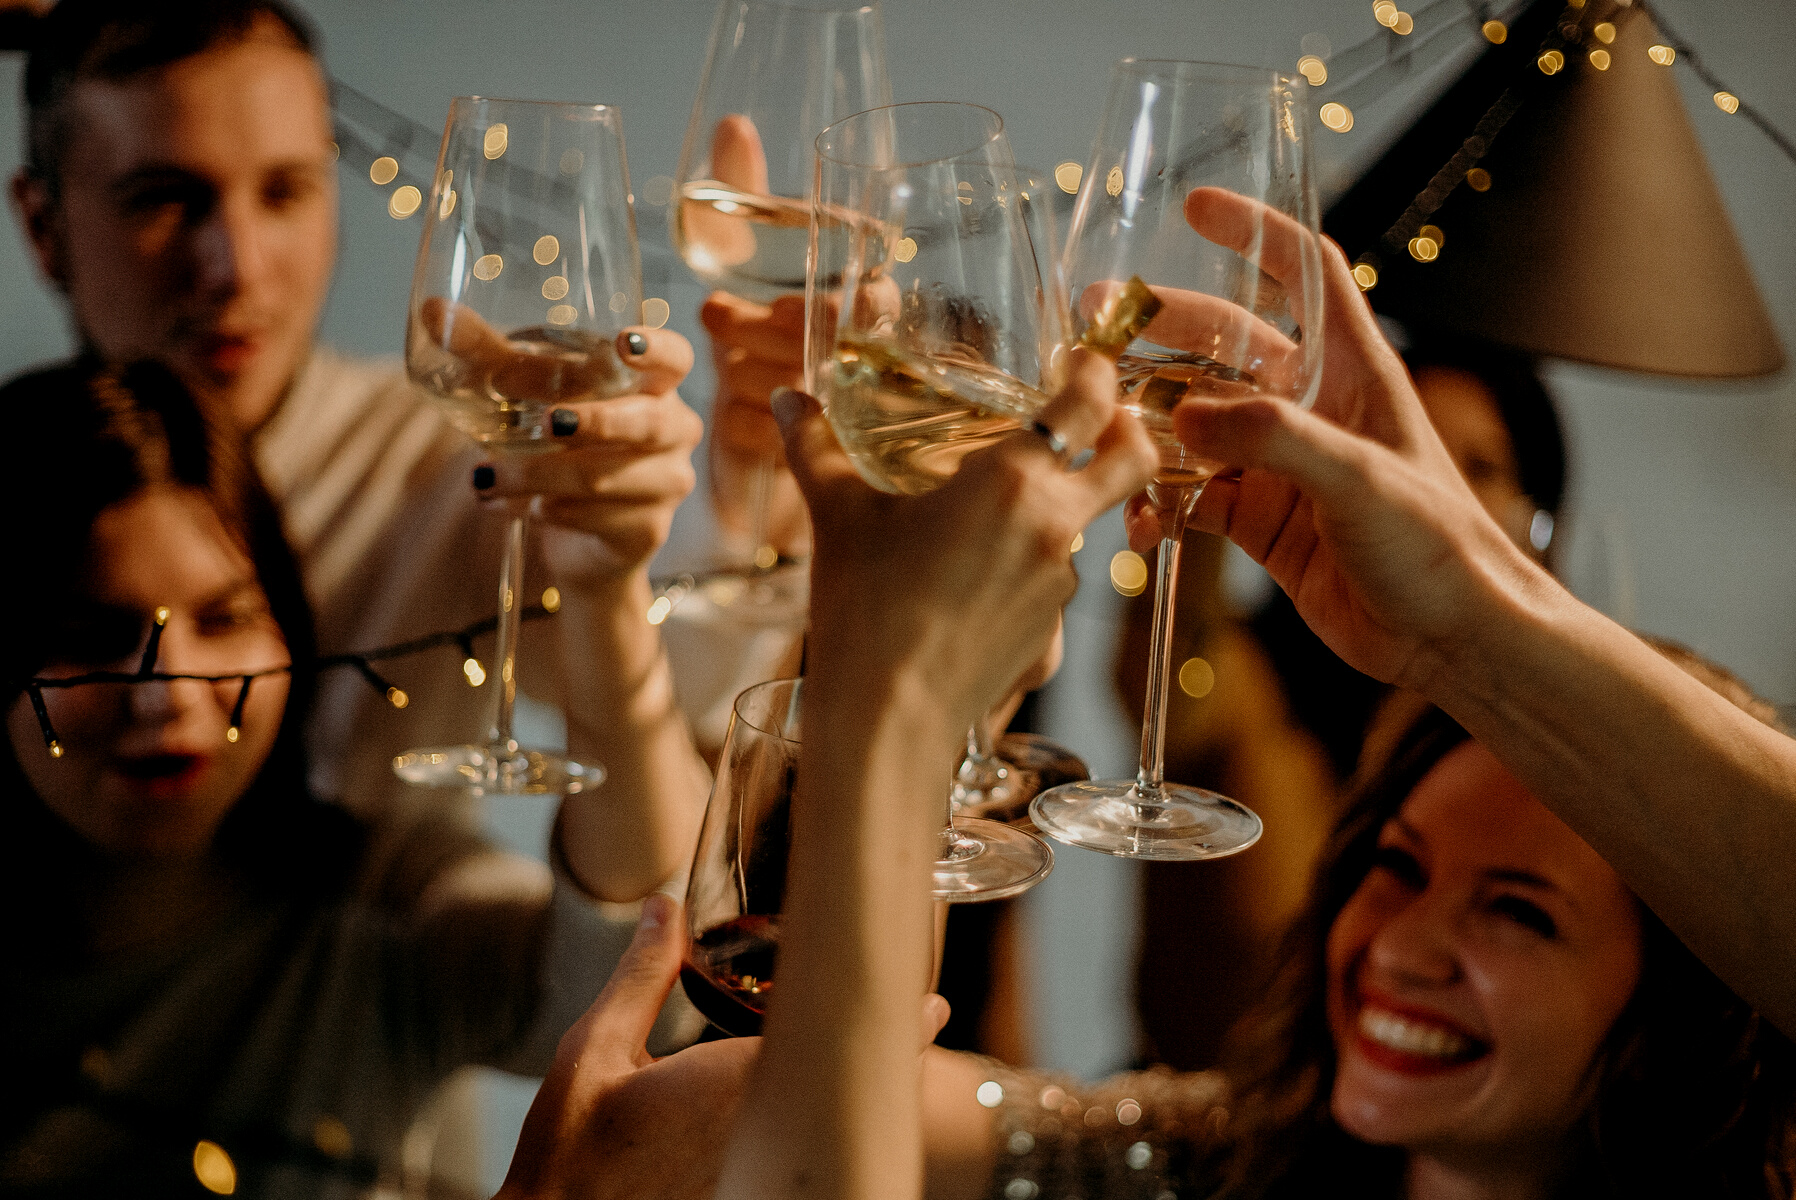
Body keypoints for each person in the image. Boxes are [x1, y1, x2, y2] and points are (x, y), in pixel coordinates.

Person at [8, 0, 712, 873]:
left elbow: (700, 710)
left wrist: (735, 491)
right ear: (42, 226)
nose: (237, 265)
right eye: (165, 200)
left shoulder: (460, 464)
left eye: (285, 191)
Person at [0, 359, 697, 1197]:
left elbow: (632, 987)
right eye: (95, 635)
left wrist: (605, 590)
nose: (167, 694)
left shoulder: (382, 907)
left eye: (224, 620)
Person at [1120, 330, 1570, 1071]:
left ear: (1540, 530)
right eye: (1394, 456)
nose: (1430, 494)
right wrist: (1194, 472)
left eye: (1479, 468)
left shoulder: (1541, 762)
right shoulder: (1249, 683)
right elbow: (1168, 683)